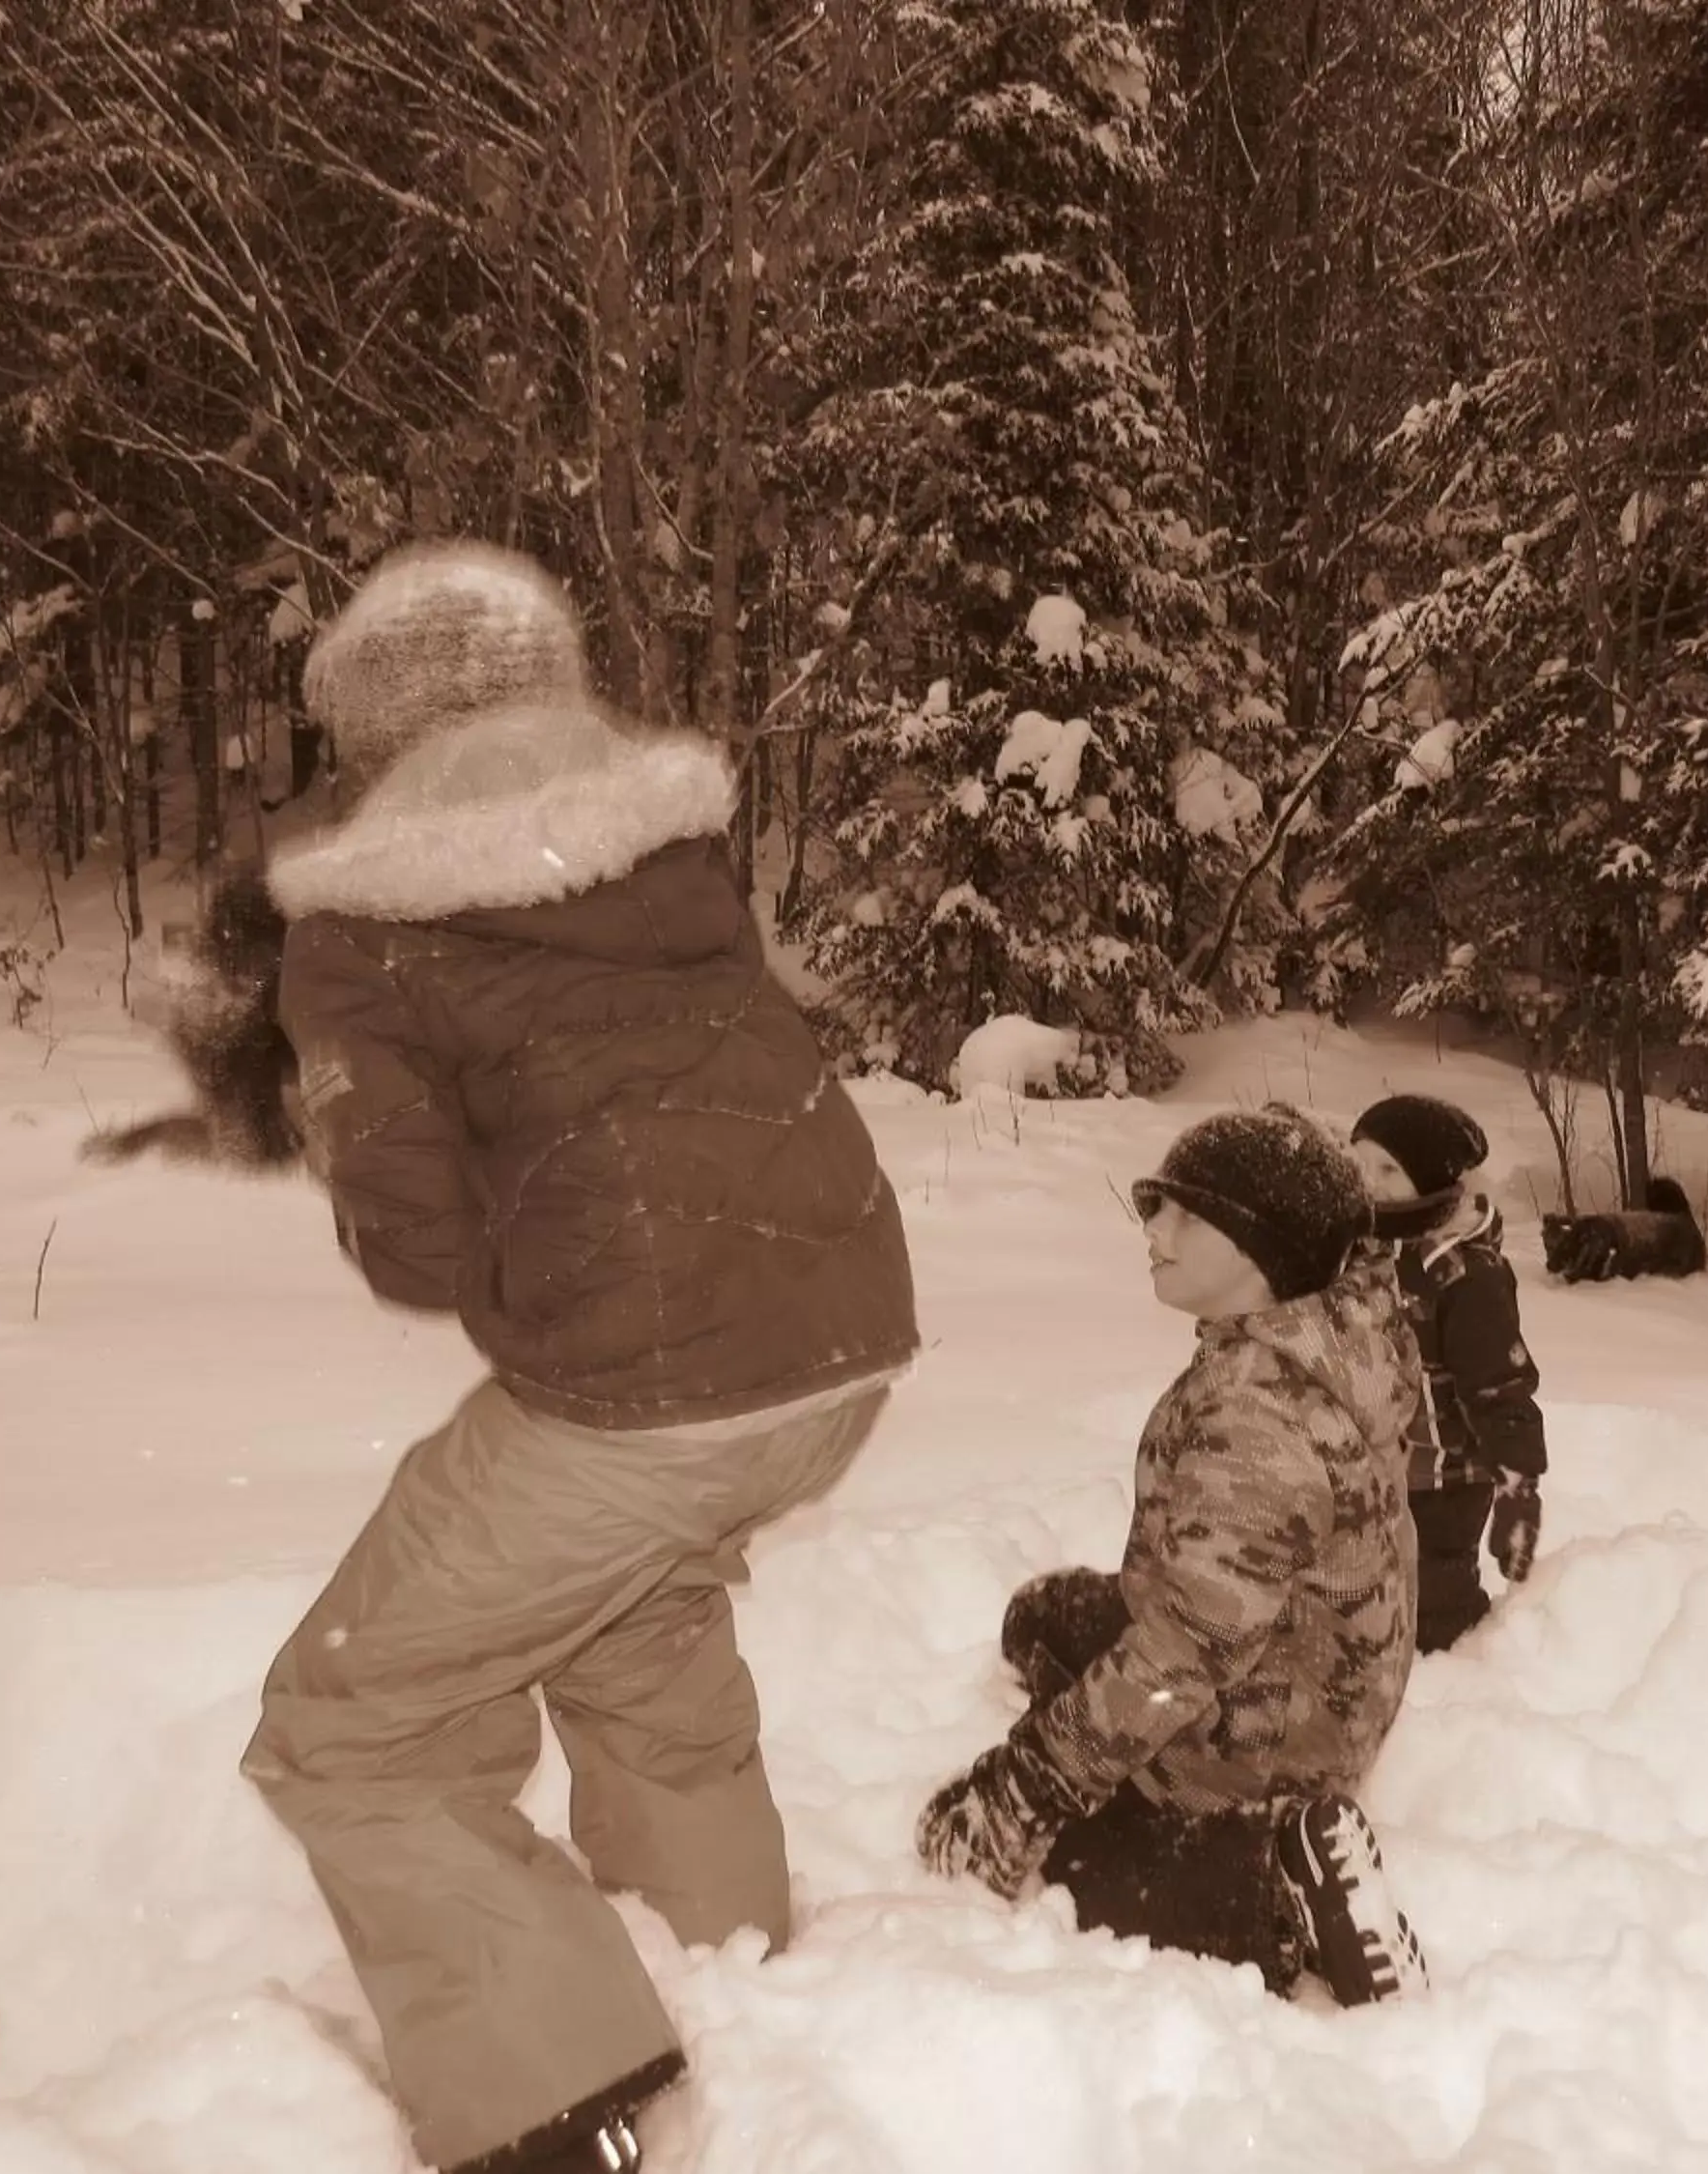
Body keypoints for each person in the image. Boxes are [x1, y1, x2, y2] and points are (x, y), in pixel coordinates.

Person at [239, 543, 920, 2174]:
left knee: (355, 1723)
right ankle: (732, 1973)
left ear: (370, 738)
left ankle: (557, 2103)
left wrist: (424, 1200)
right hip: (841, 1341)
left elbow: (413, 1243)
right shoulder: (672, 853)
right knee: (633, 1631)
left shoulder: (362, 928)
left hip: (654, 1390)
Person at [916, 1104, 1429, 2005]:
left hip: (1275, 1722)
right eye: (1155, 1206)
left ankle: (1278, 1881)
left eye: (1185, 1212)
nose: (1154, 1228)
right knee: (1047, 1618)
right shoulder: (1328, 1327)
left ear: (1259, 1245)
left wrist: (1025, 1789)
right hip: (1317, 1659)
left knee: (1078, 1857)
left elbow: (1186, 1655)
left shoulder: (1255, 1417)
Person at [1346, 1095, 1549, 1651]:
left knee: (1433, 1601)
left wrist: (1518, 1487)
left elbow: (1500, 1388)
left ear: (1433, 1177)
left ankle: (1466, 1667)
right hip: (1381, 1470)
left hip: (1446, 1480)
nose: (1371, 1181)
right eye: (1360, 1164)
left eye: (1389, 1169)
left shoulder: (1465, 1275)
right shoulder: (1371, 1250)